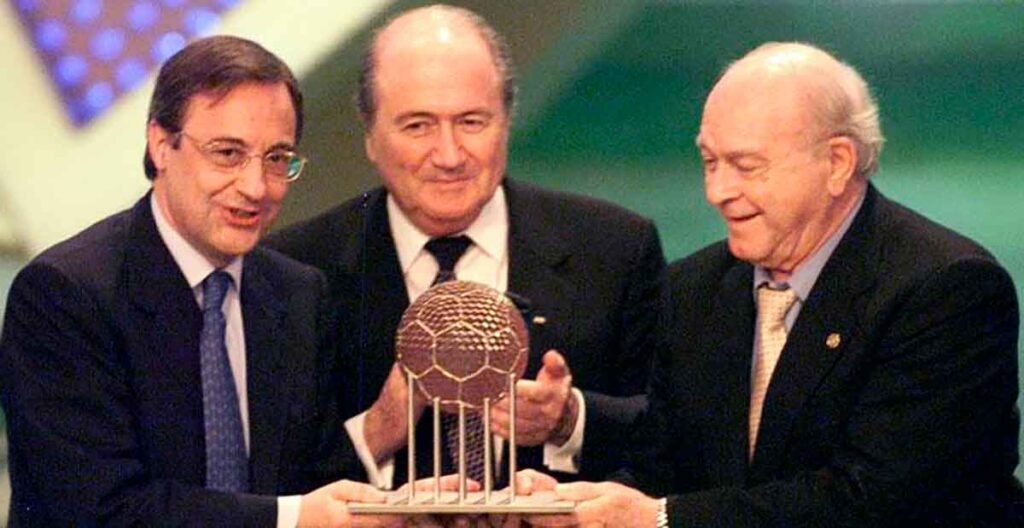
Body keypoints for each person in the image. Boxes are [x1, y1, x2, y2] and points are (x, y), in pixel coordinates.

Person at [521, 42, 1022, 527]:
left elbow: (874, 500)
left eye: (746, 166)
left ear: (837, 163)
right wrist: (581, 506)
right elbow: (665, 471)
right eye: (710, 162)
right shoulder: (696, 287)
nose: (718, 191)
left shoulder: (946, 289)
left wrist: (657, 518)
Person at [0, 35, 397, 527]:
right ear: (161, 145)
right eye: (228, 153)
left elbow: (317, 482)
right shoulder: (65, 294)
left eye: (277, 158)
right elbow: (99, 509)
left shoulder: (297, 294)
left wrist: (404, 508)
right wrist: (289, 519)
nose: (255, 187)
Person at [266, 4, 665, 490]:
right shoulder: (295, 270)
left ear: (507, 123)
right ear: (370, 137)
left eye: (472, 122)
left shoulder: (614, 249)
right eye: (418, 126)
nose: (450, 155)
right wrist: (376, 431)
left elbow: (671, 442)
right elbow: (268, 480)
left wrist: (569, 420)